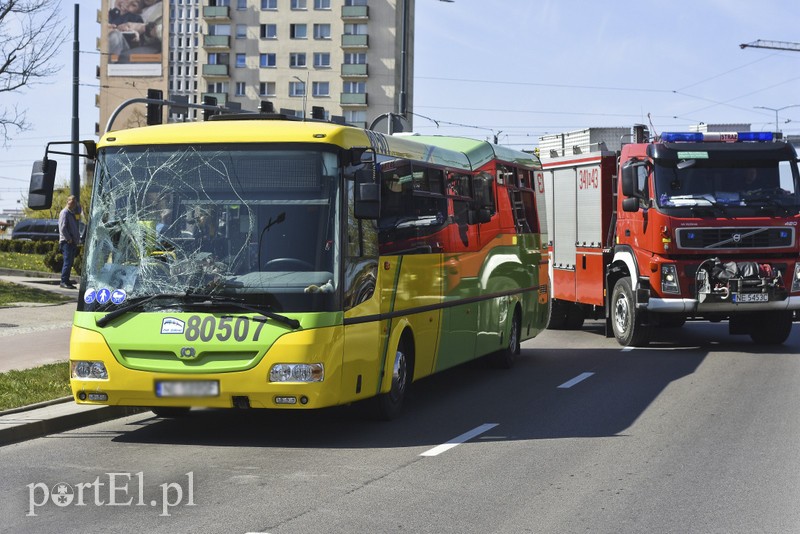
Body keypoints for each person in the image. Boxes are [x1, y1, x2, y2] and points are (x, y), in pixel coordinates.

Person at [58, 195, 82, 289]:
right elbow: (62, 228)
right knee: (67, 262)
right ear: (67, 201)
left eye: (75, 201)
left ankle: (67, 281)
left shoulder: (71, 214)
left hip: (72, 242)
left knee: (70, 262)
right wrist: (68, 239)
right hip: (66, 242)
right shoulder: (64, 213)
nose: (74, 203)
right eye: (72, 201)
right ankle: (63, 281)